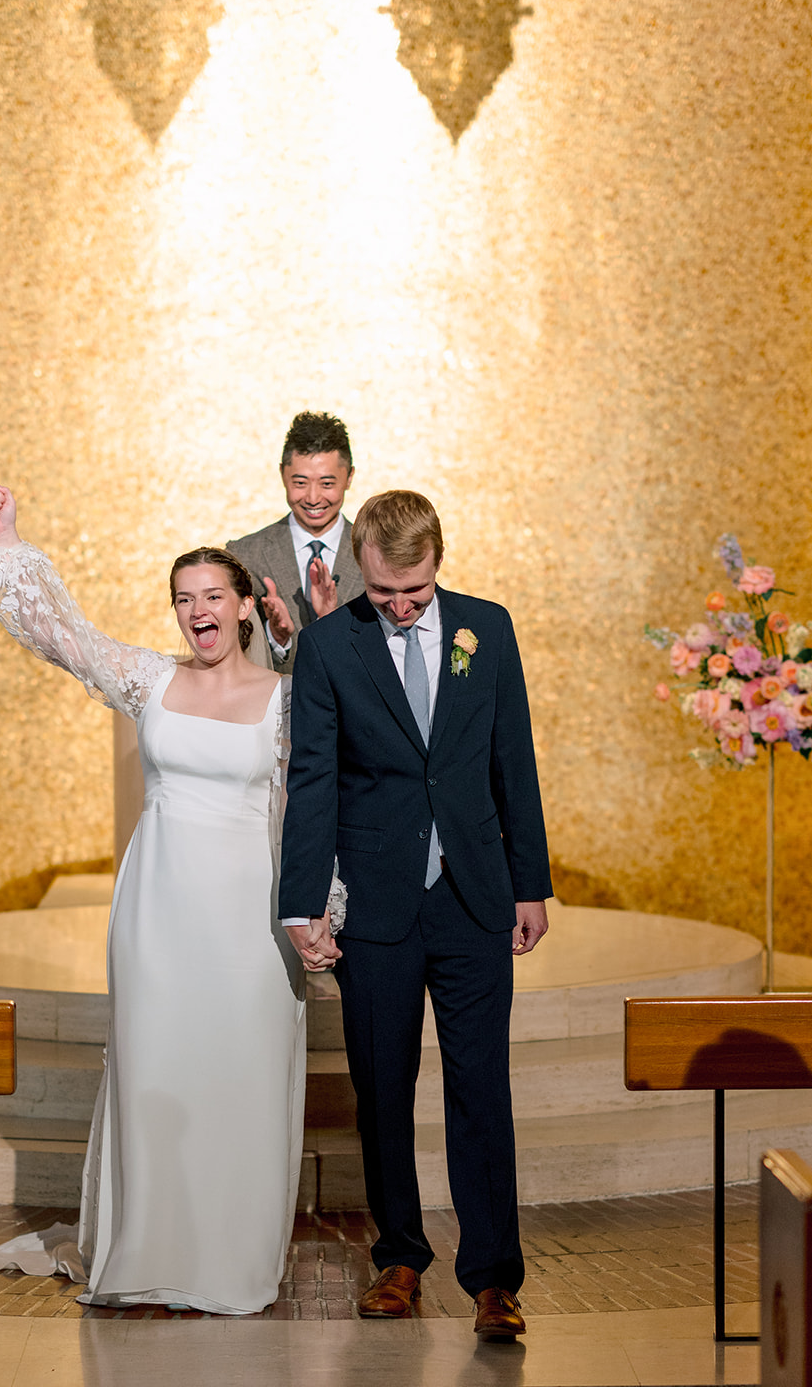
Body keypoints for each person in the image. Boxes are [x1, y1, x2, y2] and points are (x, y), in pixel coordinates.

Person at [0, 485, 306, 1314]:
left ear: (244, 609)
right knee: (157, 1072)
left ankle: (230, 1263)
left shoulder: (290, 701)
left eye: (211, 597)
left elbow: (313, 811)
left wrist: (320, 910)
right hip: (157, 911)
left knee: (243, 1073)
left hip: (248, 918)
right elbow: (62, 634)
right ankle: (147, 1253)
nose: (196, 611)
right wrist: (8, 540)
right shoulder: (147, 682)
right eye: (182, 599)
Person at [278, 490, 552, 1339]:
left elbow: (513, 758)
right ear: (361, 563)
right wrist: (302, 904)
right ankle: (398, 1257)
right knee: (381, 1087)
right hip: (377, 901)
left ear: (438, 561)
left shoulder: (488, 628)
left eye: (416, 592)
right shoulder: (329, 645)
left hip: (472, 896)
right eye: (386, 591)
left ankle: (493, 1278)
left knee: (480, 1089)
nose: (400, 607)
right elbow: (314, 779)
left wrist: (528, 883)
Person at [227, 411, 365, 676]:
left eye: (327, 483)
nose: (313, 498)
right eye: (300, 483)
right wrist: (275, 637)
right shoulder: (245, 556)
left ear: (349, 477)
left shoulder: (374, 552)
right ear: (282, 474)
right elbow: (228, 651)